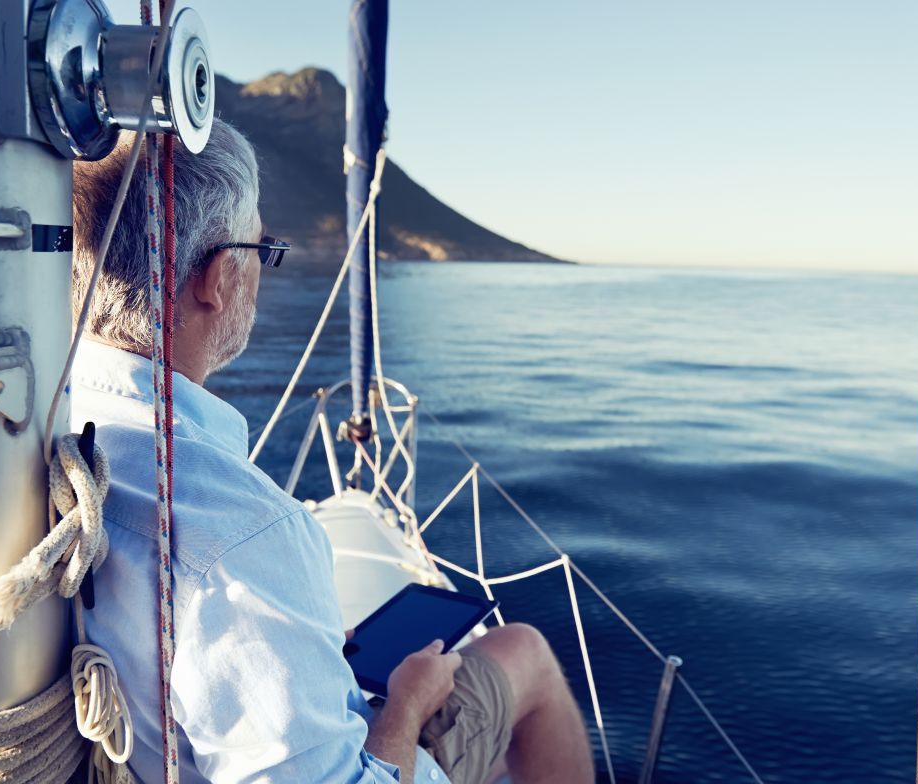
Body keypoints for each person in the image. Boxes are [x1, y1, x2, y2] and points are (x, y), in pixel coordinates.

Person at [69, 119, 594, 784]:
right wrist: (407, 704)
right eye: (260, 248)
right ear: (216, 278)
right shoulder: (245, 536)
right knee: (526, 652)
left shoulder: (19, 454)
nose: (262, 266)